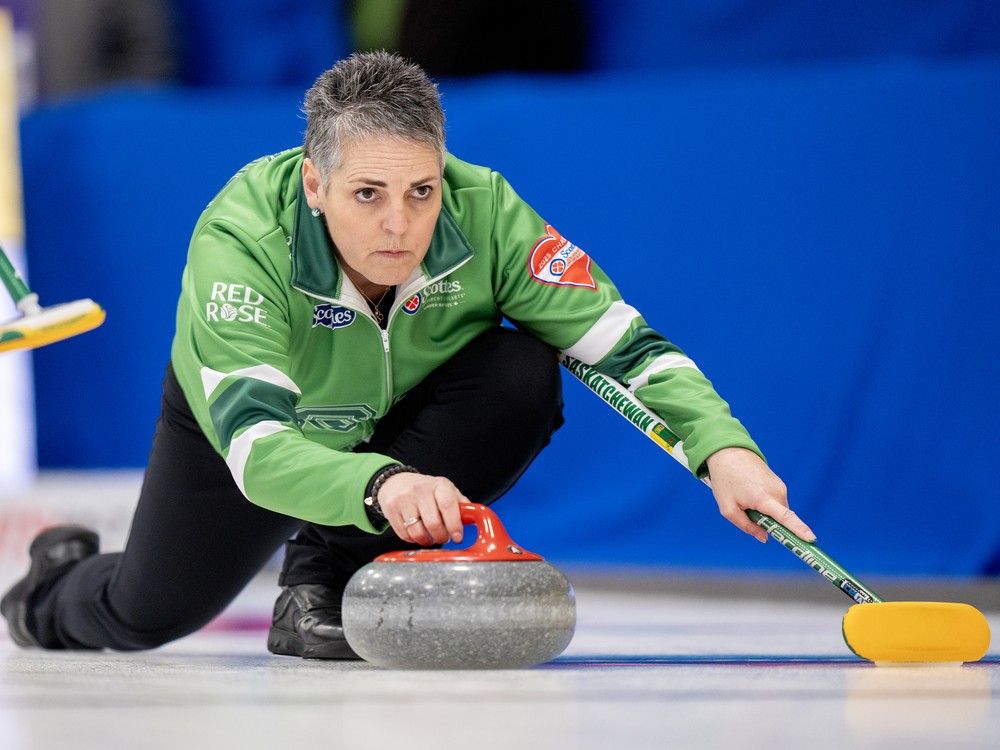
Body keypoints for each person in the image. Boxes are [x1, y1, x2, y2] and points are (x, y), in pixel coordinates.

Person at [2, 51, 815, 659]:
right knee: (144, 616)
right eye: (368, 195)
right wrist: (384, 481)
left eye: (420, 192)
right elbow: (255, 449)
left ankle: (318, 580)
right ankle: (48, 585)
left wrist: (723, 450)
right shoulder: (242, 237)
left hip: (402, 410)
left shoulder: (488, 212)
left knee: (523, 372)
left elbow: (622, 344)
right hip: (262, 427)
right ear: (315, 187)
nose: (400, 225)